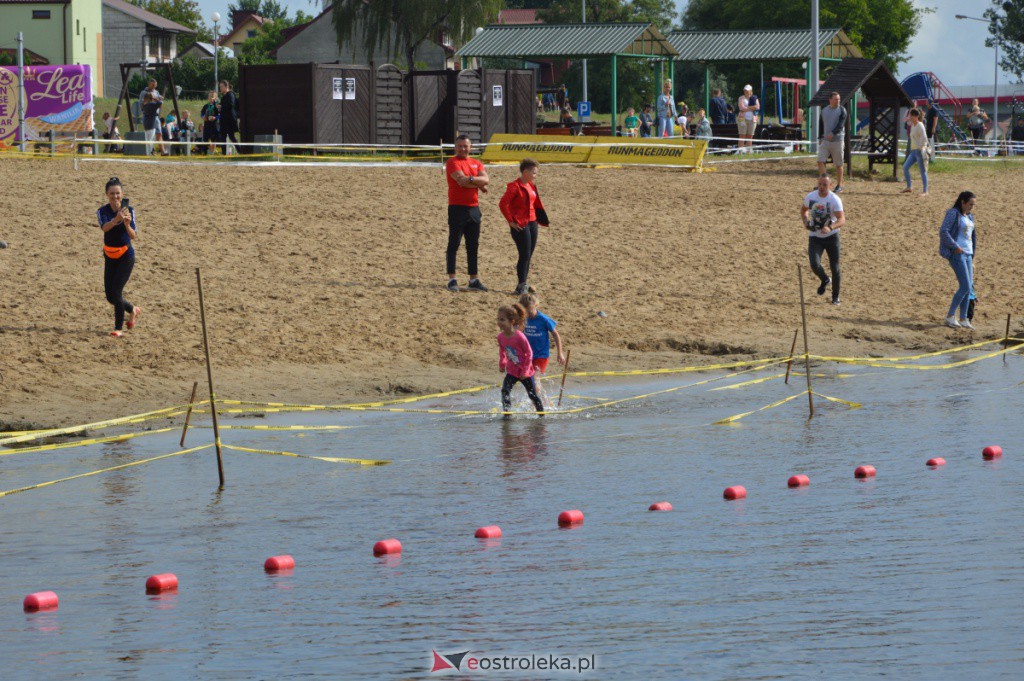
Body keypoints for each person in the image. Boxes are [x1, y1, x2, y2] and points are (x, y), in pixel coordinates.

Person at [445, 134, 490, 292]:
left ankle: (473, 279)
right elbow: (461, 181)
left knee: (473, 245)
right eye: (460, 146)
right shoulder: (452, 162)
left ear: (470, 147)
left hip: (474, 209)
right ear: (455, 147)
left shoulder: (476, 162)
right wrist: (478, 183)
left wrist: (470, 180)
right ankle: (452, 279)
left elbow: (486, 180)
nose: (463, 149)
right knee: (454, 243)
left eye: (465, 146)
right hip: (457, 207)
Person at [96, 177, 140, 337]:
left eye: (118, 193)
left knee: (116, 292)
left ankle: (118, 328)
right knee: (110, 296)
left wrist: (127, 224)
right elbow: (105, 228)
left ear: (122, 194)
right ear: (107, 194)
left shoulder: (129, 210)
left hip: (126, 255)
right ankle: (132, 309)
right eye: (112, 193)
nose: (115, 196)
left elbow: (134, 236)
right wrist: (116, 219)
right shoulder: (102, 211)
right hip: (110, 255)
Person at [499, 158, 549, 295]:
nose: (535, 175)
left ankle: (524, 283)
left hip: (533, 223)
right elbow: (503, 204)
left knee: (528, 255)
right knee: (524, 255)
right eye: (534, 172)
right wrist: (510, 221)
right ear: (525, 172)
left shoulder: (531, 185)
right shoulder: (514, 186)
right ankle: (521, 285)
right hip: (520, 224)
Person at [801, 173, 846, 306]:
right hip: (815, 237)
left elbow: (842, 219)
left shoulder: (834, 200)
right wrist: (805, 221)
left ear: (830, 185)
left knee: (835, 267)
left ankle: (835, 297)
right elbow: (803, 210)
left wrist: (830, 227)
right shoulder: (810, 197)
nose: (821, 187)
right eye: (820, 184)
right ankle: (825, 279)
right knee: (814, 264)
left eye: (824, 185)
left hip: (832, 237)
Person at [519, 291, 565, 409]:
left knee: (535, 379)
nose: (528, 314)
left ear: (536, 305)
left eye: (530, 310)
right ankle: (546, 402)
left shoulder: (543, 319)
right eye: (525, 311)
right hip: (528, 355)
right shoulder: (523, 319)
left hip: (541, 355)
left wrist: (560, 353)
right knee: (530, 381)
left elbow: (556, 335)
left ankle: (537, 404)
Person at [939, 191, 977, 329]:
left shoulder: (970, 216)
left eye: (973, 205)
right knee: (965, 286)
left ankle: (963, 318)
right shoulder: (953, 213)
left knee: (968, 287)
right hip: (958, 254)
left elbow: (972, 237)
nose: (972, 207)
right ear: (962, 202)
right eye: (970, 204)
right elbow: (943, 231)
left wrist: (972, 255)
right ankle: (950, 316)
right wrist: (956, 247)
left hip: (968, 254)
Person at [497, 303, 545, 416]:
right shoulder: (500, 337)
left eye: (502, 320)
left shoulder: (519, 336)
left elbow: (529, 353)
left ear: (512, 321)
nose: (499, 322)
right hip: (512, 371)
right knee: (505, 391)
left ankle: (541, 415)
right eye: (498, 319)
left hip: (525, 372)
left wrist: (525, 371)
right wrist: (502, 363)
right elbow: (502, 350)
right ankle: (507, 415)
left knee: (532, 395)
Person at [818, 92, 847, 193]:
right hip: (825, 140)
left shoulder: (842, 110)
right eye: (835, 99)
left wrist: (833, 133)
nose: (838, 101)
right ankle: (823, 183)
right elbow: (821, 124)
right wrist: (820, 136)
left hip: (837, 140)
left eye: (839, 99)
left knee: (838, 164)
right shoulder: (824, 110)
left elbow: (840, 125)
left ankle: (839, 185)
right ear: (830, 100)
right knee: (820, 161)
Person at [901, 107, 930, 196]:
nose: (909, 117)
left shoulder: (920, 125)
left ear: (915, 116)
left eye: (911, 115)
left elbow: (924, 137)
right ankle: (909, 186)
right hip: (913, 151)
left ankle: (925, 191)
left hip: (919, 151)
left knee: (922, 171)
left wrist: (921, 147)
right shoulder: (913, 126)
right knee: (905, 167)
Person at [143, 78, 164, 154]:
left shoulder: (156, 92)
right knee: (151, 136)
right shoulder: (144, 93)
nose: (154, 87)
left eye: (155, 85)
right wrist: (156, 99)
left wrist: (159, 98)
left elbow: (161, 99)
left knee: (156, 134)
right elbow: (160, 102)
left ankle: (157, 151)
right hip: (151, 117)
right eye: (153, 85)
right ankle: (150, 151)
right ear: (149, 84)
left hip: (153, 116)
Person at [218, 80, 239, 154]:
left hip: (229, 120)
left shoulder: (230, 94)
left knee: (231, 137)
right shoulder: (224, 97)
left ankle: (241, 151)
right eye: (220, 87)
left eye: (221, 86)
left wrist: (221, 106)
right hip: (224, 120)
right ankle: (224, 154)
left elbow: (231, 104)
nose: (220, 88)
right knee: (223, 137)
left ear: (226, 86)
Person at [737, 84, 758, 152]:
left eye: (747, 90)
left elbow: (757, 107)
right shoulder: (741, 98)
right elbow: (741, 107)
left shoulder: (754, 98)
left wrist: (747, 108)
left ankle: (748, 152)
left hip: (753, 119)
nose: (746, 91)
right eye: (745, 90)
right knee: (742, 136)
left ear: (750, 91)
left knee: (750, 137)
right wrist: (752, 108)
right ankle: (740, 152)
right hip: (742, 119)